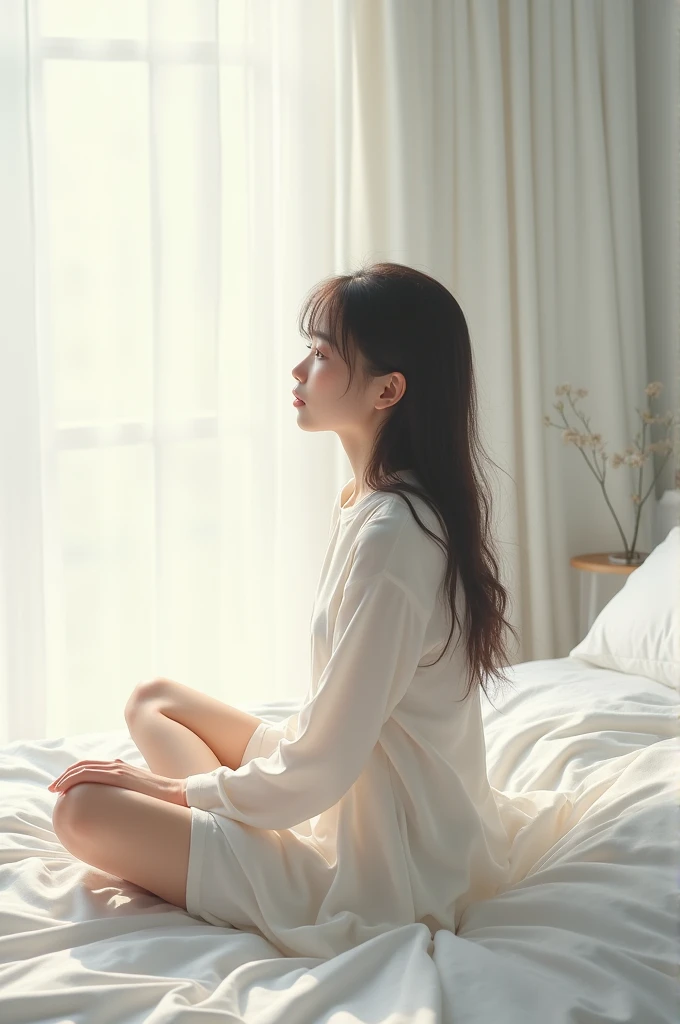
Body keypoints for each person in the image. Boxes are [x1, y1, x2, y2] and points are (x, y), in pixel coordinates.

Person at [176, 261, 531, 958]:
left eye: (322, 355)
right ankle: (229, 834)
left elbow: (328, 760)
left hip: (386, 865)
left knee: (83, 814)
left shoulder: (394, 534)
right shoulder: (369, 502)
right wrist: (199, 793)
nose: (298, 371)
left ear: (387, 390)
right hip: (343, 788)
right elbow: (334, 729)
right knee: (152, 701)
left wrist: (184, 794)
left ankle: (237, 844)